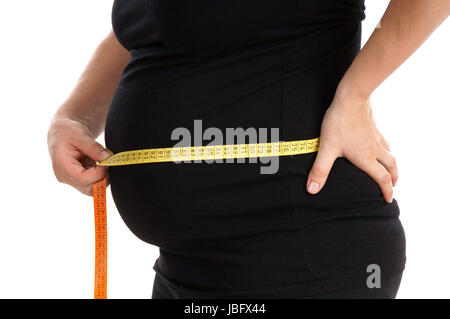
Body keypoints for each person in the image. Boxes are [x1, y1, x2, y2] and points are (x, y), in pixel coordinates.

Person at [47, 0, 449, 299]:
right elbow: (148, 25)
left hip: (297, 246)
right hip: (184, 266)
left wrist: (354, 97)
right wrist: (75, 115)